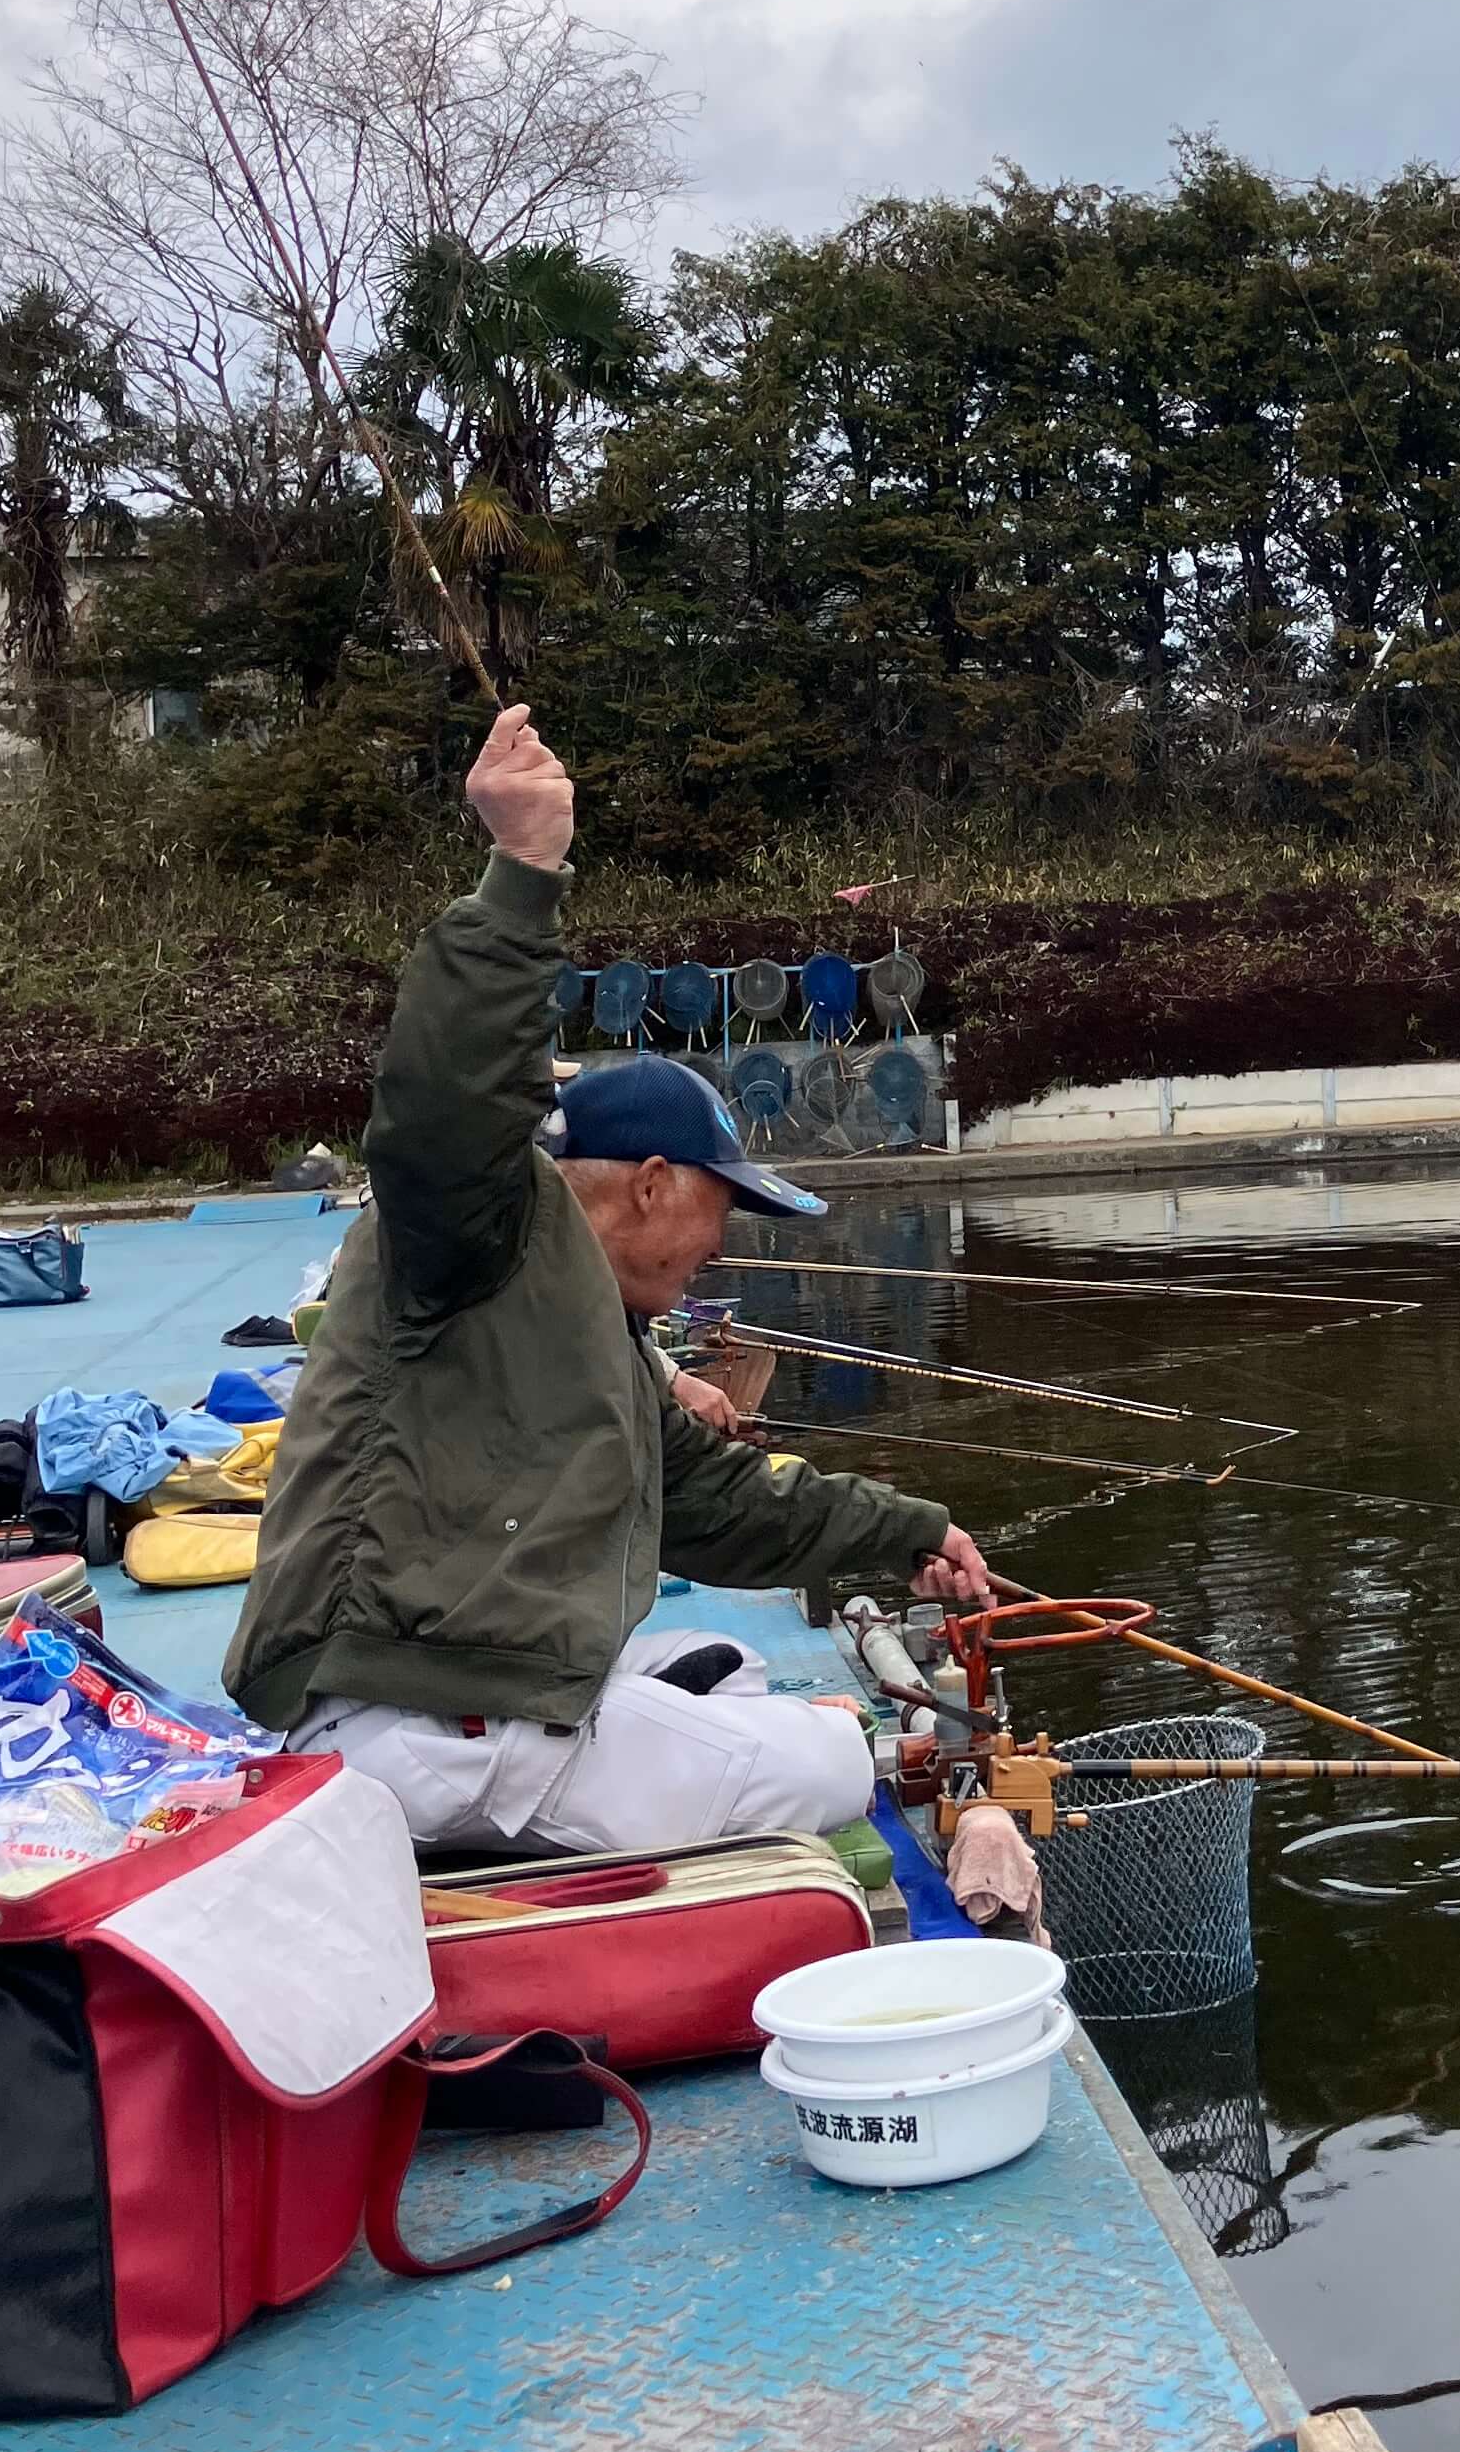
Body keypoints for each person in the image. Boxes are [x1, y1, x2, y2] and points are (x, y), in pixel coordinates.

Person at [224, 704, 991, 1855]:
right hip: (417, 1724)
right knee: (832, 1758)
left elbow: (714, 1506)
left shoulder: (611, 1332)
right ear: (647, 1184)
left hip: (471, 1699)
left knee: (725, 1674)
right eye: (719, 1209)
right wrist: (521, 870)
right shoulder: (479, 1225)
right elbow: (440, 1104)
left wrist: (906, 1531)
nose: (721, 1250)